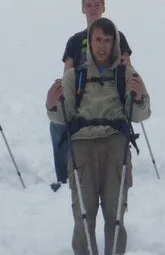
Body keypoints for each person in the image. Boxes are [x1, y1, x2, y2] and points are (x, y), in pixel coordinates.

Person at [46, 18, 150, 255]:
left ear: (114, 42)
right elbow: (64, 116)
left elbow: (141, 114)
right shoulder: (74, 76)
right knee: (84, 208)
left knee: (115, 208)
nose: (102, 46)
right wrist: (52, 106)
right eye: (97, 40)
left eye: (107, 40)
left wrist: (138, 98)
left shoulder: (126, 74)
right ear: (89, 43)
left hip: (115, 142)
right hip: (82, 144)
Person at [50, 0, 133, 192]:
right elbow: (67, 71)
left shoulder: (117, 36)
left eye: (97, 5)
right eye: (89, 5)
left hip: (110, 97)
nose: (93, 9)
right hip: (80, 96)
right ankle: (64, 175)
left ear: (103, 7)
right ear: (83, 9)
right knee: (57, 125)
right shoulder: (74, 41)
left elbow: (126, 66)